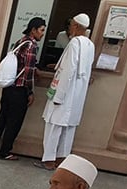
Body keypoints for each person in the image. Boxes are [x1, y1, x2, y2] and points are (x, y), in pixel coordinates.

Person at [37, 13, 95, 170]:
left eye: (71, 25)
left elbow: (68, 71)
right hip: (77, 95)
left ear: (75, 26)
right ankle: (61, 160)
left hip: (64, 94)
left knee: (53, 126)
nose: (69, 28)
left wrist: (59, 96)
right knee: (68, 129)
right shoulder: (90, 45)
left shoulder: (75, 43)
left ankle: (48, 160)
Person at [0, 17, 46, 161]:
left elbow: (20, 64)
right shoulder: (32, 45)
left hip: (8, 86)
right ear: (33, 30)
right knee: (14, 122)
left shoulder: (20, 41)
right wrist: (30, 92)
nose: (43, 34)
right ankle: (5, 151)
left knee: (2, 117)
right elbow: (28, 71)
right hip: (19, 90)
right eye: (41, 30)